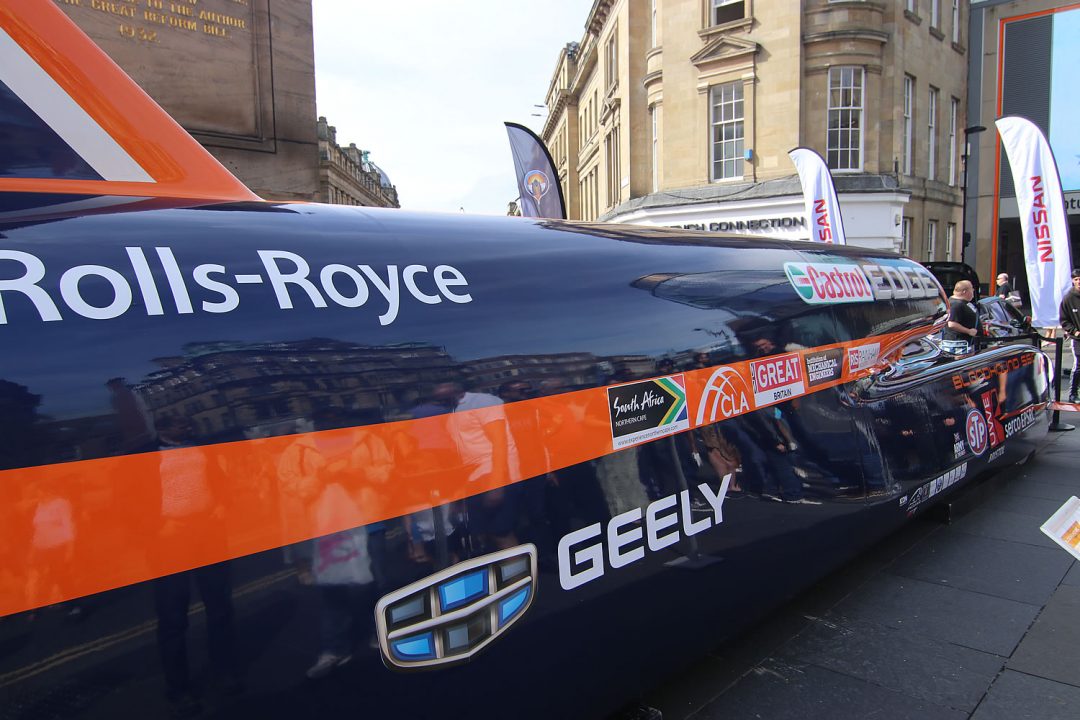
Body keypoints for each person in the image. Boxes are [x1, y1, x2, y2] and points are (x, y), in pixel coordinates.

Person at [1059, 268, 1080, 403]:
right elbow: (1064, 320)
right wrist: (1074, 331)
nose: (1079, 281)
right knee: (1078, 365)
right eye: (1076, 279)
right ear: (1073, 281)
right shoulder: (1068, 298)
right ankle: (1072, 394)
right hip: (1078, 339)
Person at [942, 280, 978, 354]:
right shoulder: (955, 304)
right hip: (958, 346)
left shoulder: (962, 302)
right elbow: (951, 324)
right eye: (971, 288)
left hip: (965, 344)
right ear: (964, 291)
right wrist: (969, 331)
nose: (973, 290)